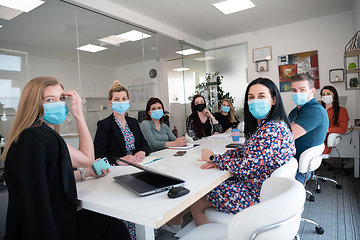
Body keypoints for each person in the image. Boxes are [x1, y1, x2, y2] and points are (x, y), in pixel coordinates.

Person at [1, 76, 130, 240]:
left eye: (61, 98)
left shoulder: (42, 135)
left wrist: (87, 173)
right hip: (49, 229)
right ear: (35, 104)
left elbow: (50, 178)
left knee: (114, 225)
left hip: (51, 222)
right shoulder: (35, 137)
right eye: (50, 99)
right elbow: (36, 199)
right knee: (114, 227)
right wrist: (79, 116)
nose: (58, 104)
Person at [189, 78, 295, 227]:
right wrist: (218, 159)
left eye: (261, 96)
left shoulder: (272, 130)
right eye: (251, 97)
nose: (255, 101)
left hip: (253, 196)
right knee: (200, 199)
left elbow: (246, 166)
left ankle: (179, 221)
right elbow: (245, 150)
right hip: (257, 187)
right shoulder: (272, 125)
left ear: (273, 100)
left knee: (199, 190)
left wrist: (214, 158)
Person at [94, 80, 151, 165]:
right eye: (116, 99)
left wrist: (142, 151)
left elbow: (144, 144)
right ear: (111, 102)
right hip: (117, 169)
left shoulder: (133, 122)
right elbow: (98, 155)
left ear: (128, 101)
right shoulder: (104, 125)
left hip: (138, 164)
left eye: (124, 99)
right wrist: (118, 160)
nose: (121, 102)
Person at [288, 74, 329, 183]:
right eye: (294, 90)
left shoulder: (315, 111)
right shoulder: (295, 110)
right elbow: (283, 131)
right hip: (288, 160)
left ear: (312, 90)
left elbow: (285, 137)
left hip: (296, 166)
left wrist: (287, 129)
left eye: (302, 89)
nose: (297, 93)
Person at [320, 86, 349, 154]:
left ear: (334, 96)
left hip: (324, 141)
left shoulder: (341, 110)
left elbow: (343, 129)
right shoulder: (319, 110)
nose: (325, 96)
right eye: (323, 94)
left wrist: (327, 130)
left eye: (328, 94)